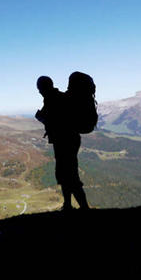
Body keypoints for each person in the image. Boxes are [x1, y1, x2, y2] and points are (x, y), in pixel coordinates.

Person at [35, 76, 90, 212]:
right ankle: (68, 205)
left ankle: (84, 207)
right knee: (65, 174)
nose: (39, 92)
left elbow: (56, 122)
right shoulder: (58, 97)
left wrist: (42, 117)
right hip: (68, 140)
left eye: (40, 89)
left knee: (69, 175)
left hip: (64, 142)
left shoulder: (52, 100)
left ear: (42, 88)